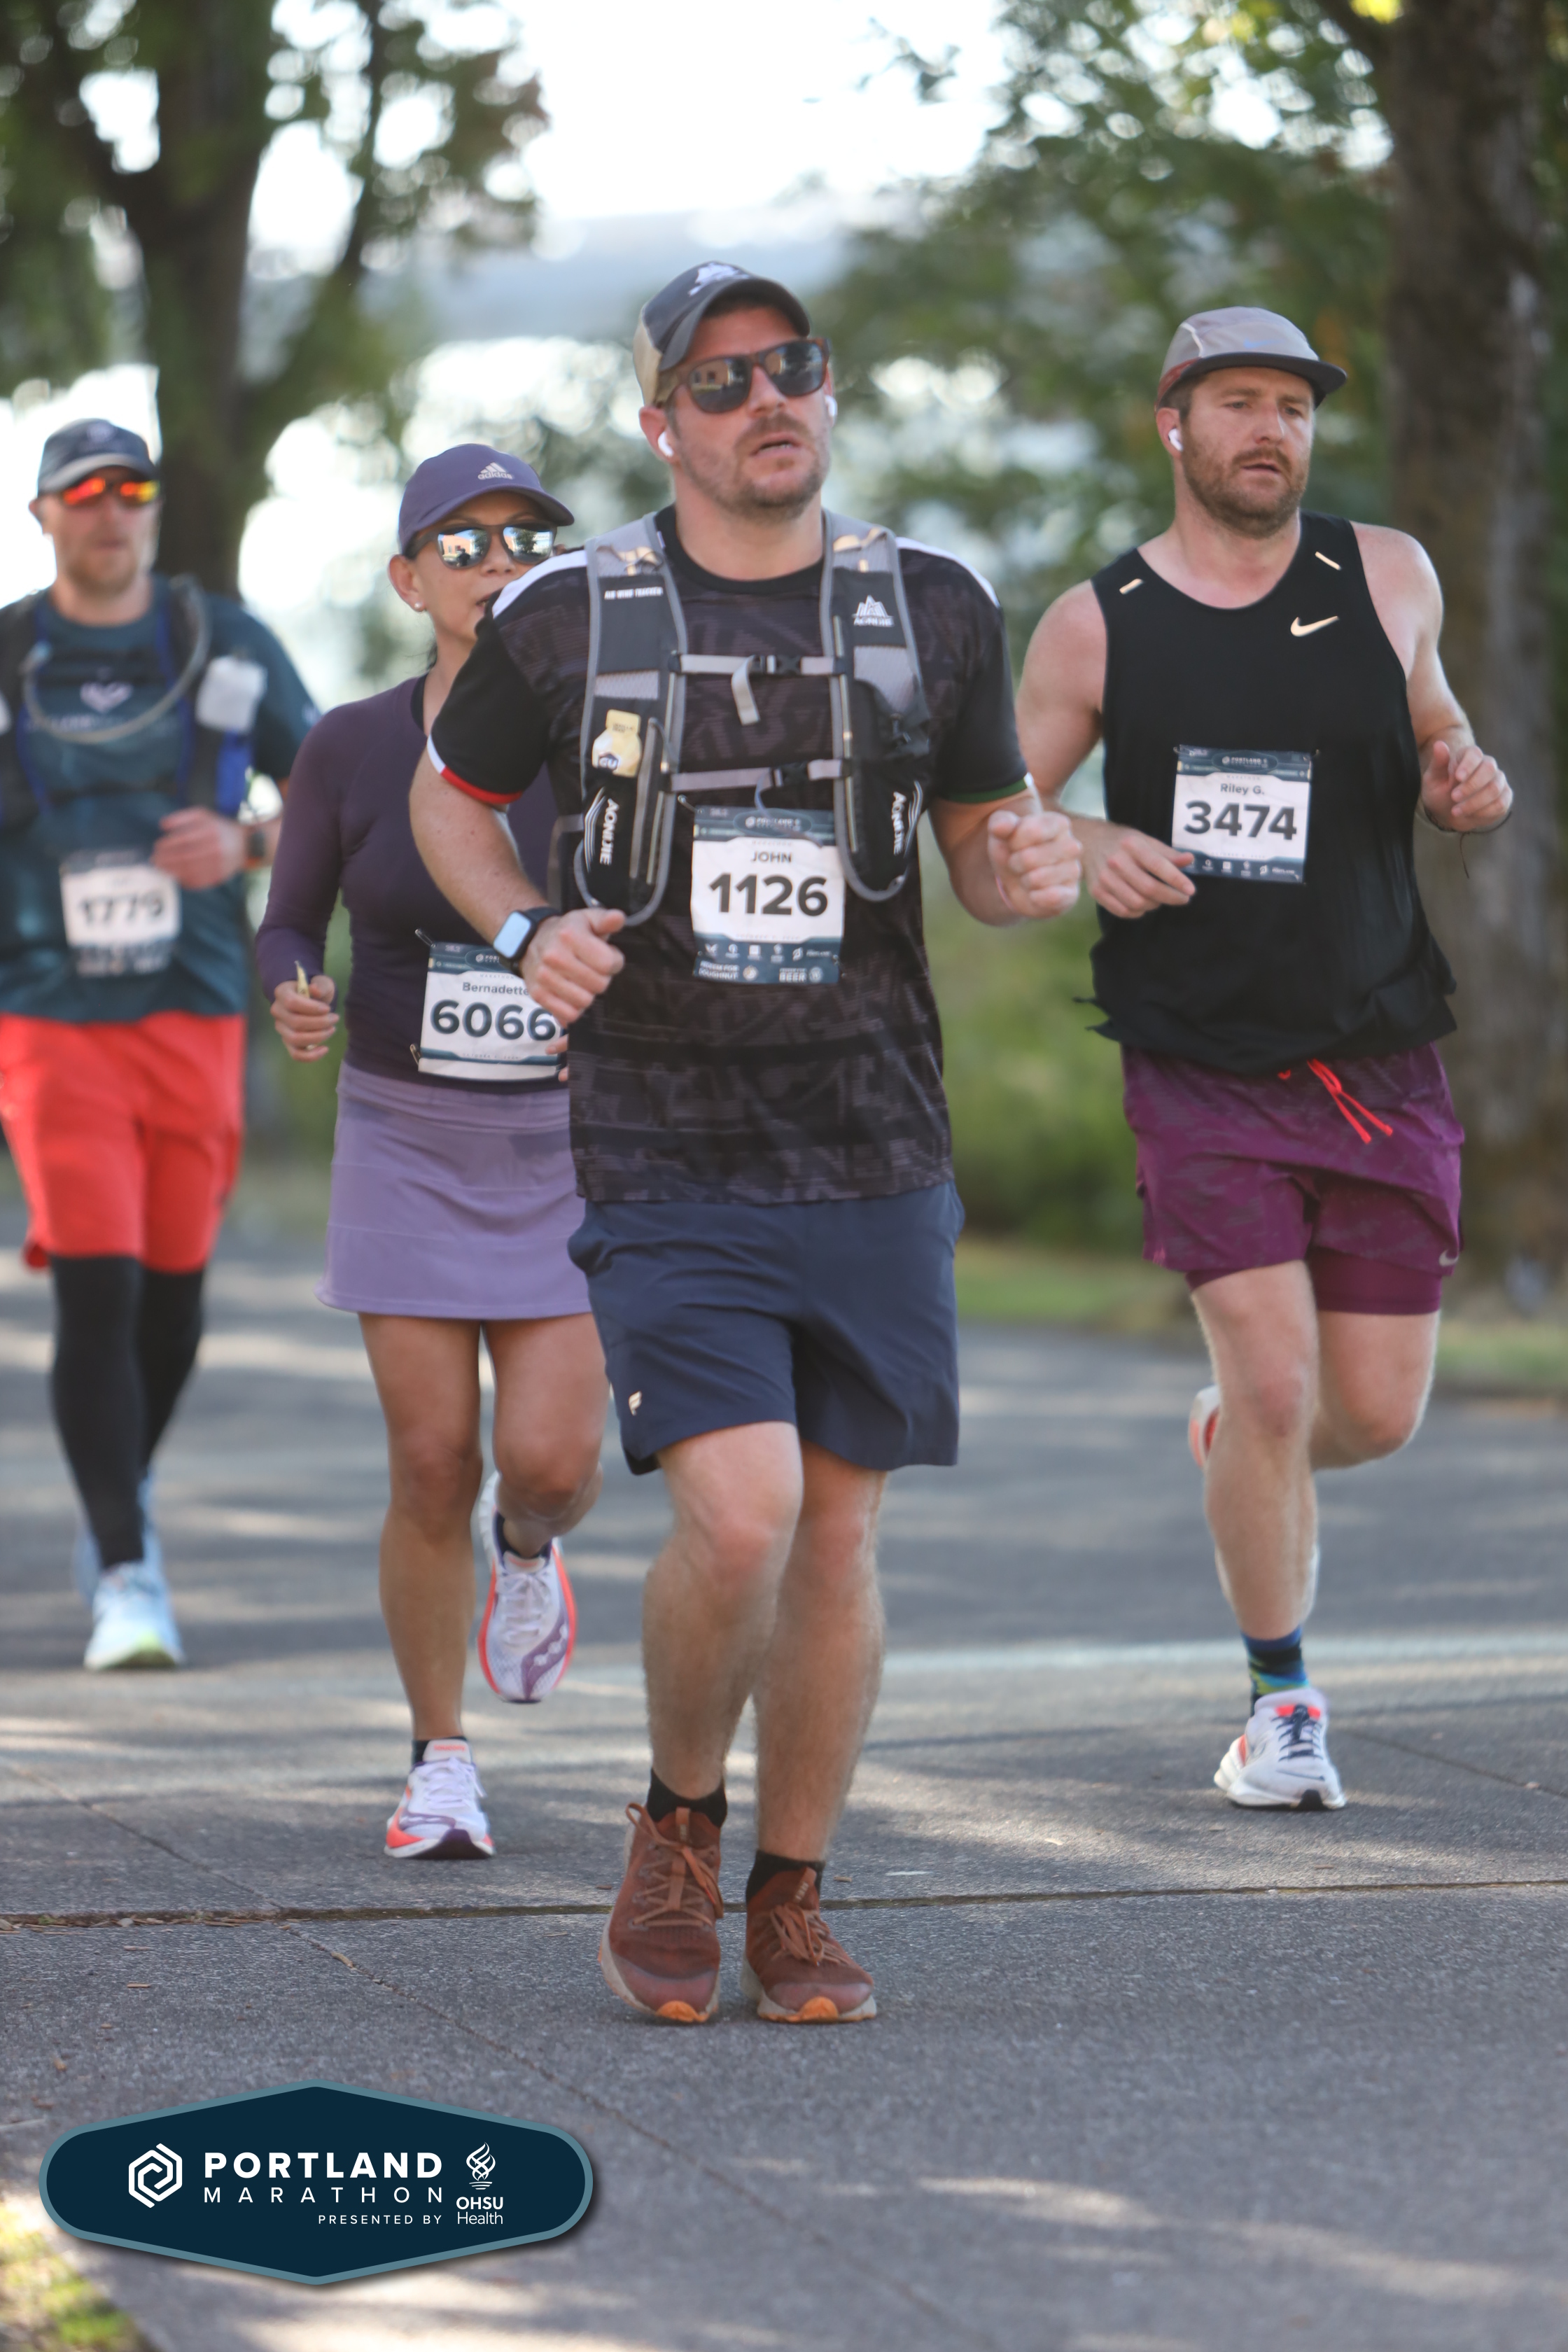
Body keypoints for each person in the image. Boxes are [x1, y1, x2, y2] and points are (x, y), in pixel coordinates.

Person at [409, 261, 1082, 2020]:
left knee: (837, 1542)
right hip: (665, 1137)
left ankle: (791, 1895)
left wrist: (1023, 868)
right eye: (719, 381)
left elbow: (981, 844)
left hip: (877, 1136)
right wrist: (517, 931)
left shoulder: (930, 603)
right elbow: (449, 802)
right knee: (742, 1517)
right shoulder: (567, 615)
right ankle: (674, 1831)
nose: (765, 398)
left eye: (790, 366)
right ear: (660, 424)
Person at [1014, 307, 1513, 1811]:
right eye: (1237, 402)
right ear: (1175, 425)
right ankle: (1277, 1705)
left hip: (1378, 1049)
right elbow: (991, 813)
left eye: (1292, 407)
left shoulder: (1388, 574)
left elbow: (1441, 731)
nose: (1269, 431)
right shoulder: (1096, 622)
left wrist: (1462, 777)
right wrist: (1085, 836)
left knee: (1371, 1415)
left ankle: (1232, 1440)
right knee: (1282, 1389)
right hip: (1199, 1059)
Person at [257, 445, 608, 1862]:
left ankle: (528, 1552)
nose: (498, 562)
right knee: (429, 1457)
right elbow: (292, 919)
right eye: (463, 544)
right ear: (409, 581)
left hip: (567, 1145)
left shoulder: (607, 736)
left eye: (526, 539)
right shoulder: (350, 745)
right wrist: (295, 988)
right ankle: (439, 1761)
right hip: (405, 1136)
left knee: (550, 1459)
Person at [0, 418, 317, 1672]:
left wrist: (245, 843)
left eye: (129, 489)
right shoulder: (9, 653)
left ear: (152, 507)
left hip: (194, 1006)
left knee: (175, 1294)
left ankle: (114, 1494)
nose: (109, 510)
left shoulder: (220, 641)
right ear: (43, 515)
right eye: (82, 492)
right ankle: (129, 1572)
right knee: (98, 1281)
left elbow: (336, 800)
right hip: (47, 1015)